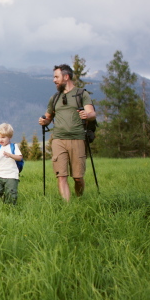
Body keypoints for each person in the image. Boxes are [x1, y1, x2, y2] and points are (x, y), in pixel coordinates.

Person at [38, 64, 96, 202]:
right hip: (58, 139)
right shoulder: (55, 98)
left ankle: (79, 199)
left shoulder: (82, 94)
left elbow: (92, 113)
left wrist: (87, 115)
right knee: (61, 175)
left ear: (66, 76)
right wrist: (43, 121)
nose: (54, 80)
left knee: (78, 177)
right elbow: (48, 117)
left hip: (77, 139)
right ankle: (67, 206)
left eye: (56, 77)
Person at [0, 123, 23, 205]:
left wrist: (10, 155)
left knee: (11, 195)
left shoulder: (14, 147)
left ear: (9, 137)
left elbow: (19, 157)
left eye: (3, 137)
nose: (1, 140)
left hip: (11, 175)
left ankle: (9, 208)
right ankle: (3, 196)